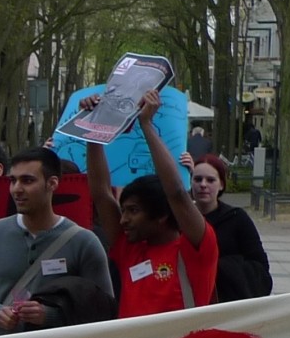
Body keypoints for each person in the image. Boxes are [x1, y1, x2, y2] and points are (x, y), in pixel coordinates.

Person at [85, 88, 217, 318]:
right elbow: (102, 194)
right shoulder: (129, 248)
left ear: (162, 215)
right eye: (124, 210)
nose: (123, 220)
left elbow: (176, 192)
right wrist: (94, 129)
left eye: (133, 211)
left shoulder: (196, 247)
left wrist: (146, 124)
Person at [0, 148, 113, 335]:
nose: (17, 189)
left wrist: (49, 316)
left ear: (52, 183)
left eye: (27, 180)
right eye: (13, 180)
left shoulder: (84, 241)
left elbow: (104, 307)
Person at [192, 155, 273, 301]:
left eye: (210, 180)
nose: (203, 185)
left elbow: (259, 266)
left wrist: (223, 268)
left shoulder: (237, 218)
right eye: (198, 179)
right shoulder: (181, 219)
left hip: (227, 300)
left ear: (221, 184)